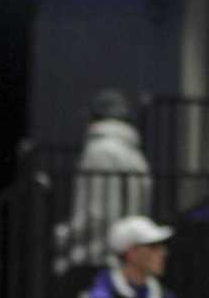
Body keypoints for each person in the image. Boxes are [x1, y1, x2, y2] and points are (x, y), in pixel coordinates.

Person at [64, 90, 153, 268]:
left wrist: (66, 235)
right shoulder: (136, 155)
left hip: (96, 255)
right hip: (128, 254)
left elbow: (96, 213)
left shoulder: (98, 151)